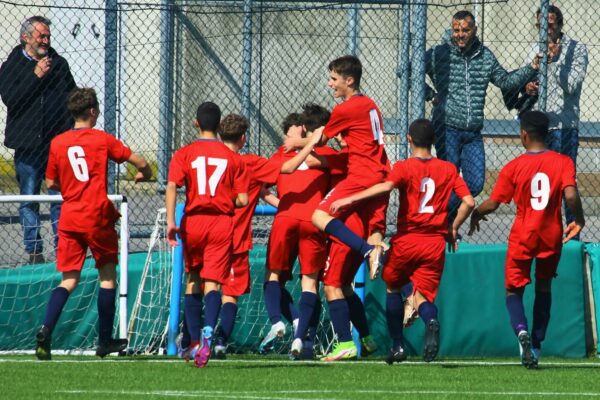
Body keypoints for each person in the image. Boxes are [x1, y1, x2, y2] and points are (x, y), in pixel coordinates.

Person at [331, 118, 475, 364]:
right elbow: (469, 202)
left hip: (408, 239)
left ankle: (397, 345)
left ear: (409, 139)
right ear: (433, 141)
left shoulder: (404, 166)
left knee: (393, 287)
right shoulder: (448, 169)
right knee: (423, 297)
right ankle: (430, 319)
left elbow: (385, 188)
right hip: (435, 243)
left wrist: (349, 199)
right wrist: (453, 227)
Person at [283, 56, 390, 361]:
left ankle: (345, 343)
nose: (330, 84)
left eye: (333, 79)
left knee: (321, 223)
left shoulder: (346, 111)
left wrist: (297, 151)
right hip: (376, 178)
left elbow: (320, 141)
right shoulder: (370, 105)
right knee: (343, 283)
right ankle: (366, 337)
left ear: (349, 80)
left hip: (363, 178)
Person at [35, 88, 152, 360]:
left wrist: (72, 185)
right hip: (96, 214)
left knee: (69, 280)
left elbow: (51, 182)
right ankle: (104, 340)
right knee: (108, 276)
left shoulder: (58, 143)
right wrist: (144, 174)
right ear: (92, 111)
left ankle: (46, 328)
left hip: (70, 216)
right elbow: (141, 162)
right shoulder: (101, 140)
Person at [468, 111, 585, 369]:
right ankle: (536, 345)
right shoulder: (563, 162)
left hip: (523, 235)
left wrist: (476, 212)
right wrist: (579, 220)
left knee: (513, 290)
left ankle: (521, 331)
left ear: (523, 134)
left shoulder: (514, 167)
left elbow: (494, 203)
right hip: (551, 234)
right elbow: (571, 196)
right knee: (544, 288)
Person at [213, 112, 322, 359]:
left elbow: (261, 190)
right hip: (239, 237)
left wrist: (283, 204)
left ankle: (196, 338)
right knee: (308, 282)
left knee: (201, 286)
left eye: (289, 132)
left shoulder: (210, 158)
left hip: (207, 234)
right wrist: (312, 144)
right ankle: (296, 330)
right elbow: (287, 170)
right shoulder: (250, 162)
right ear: (243, 138)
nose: (287, 137)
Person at [424, 10, 539, 223]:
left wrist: (531, 68)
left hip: (473, 132)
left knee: (475, 184)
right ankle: (445, 227)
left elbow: (505, 81)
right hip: (446, 128)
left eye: (465, 30)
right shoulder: (439, 53)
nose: (460, 34)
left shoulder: (485, 56)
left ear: (474, 30)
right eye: (456, 30)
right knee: (449, 180)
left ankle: (440, 218)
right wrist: (431, 94)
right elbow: (408, 70)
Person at [166, 102, 249, 368]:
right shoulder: (233, 158)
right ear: (219, 124)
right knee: (213, 283)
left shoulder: (184, 154)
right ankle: (208, 333)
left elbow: (172, 186)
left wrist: (170, 221)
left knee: (193, 279)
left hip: (194, 222)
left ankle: (191, 343)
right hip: (221, 224)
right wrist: (224, 200)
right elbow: (243, 199)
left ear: (196, 123)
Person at [0, 16, 76, 263]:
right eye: (41, 36)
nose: (46, 40)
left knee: (59, 200)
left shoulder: (59, 64)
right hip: (28, 145)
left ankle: (63, 249)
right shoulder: (12, 66)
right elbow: (11, 99)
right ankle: (34, 251)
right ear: (26, 38)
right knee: (29, 199)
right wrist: (34, 76)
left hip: (57, 145)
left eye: (47, 36)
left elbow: (72, 97)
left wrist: (71, 127)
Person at [265, 104, 339, 360]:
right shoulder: (330, 156)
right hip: (314, 221)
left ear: (304, 130)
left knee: (273, 277)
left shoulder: (284, 153)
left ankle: (280, 321)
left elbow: (259, 185)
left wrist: (281, 203)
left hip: (285, 219)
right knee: (310, 284)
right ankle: (302, 338)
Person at [504, 5, 587, 229]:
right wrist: (528, 87)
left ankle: (572, 233)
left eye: (550, 25)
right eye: (541, 26)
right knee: (540, 182)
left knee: (565, 184)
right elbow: (525, 80)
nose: (545, 31)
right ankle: (542, 229)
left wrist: (557, 60)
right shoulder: (534, 48)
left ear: (559, 25)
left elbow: (571, 86)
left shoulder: (576, 50)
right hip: (538, 127)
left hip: (563, 125)